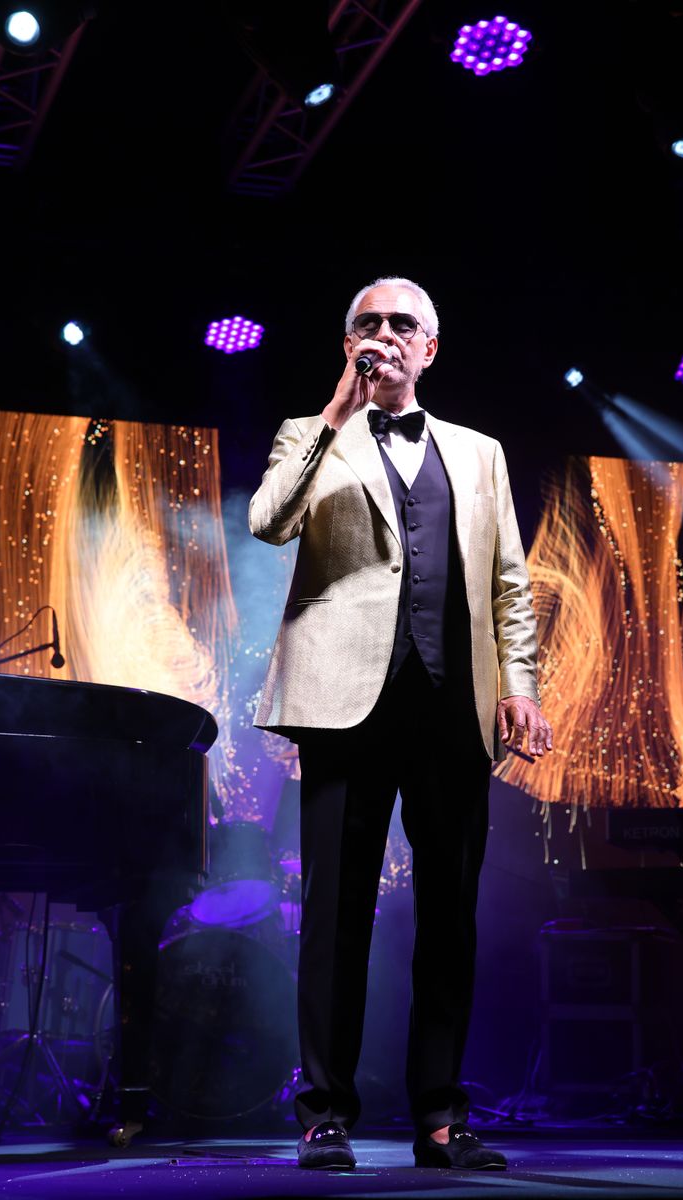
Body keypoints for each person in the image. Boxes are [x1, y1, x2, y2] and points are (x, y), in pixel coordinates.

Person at [249, 276, 552, 1170]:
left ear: (429, 349)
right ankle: (324, 1114)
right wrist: (338, 414)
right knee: (336, 916)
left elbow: (509, 580)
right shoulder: (311, 434)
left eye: (401, 324)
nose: (383, 335)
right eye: (366, 324)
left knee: (450, 916)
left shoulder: (479, 451)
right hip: (343, 706)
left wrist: (522, 683)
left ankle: (440, 1119)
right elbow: (268, 523)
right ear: (349, 343)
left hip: (452, 707)